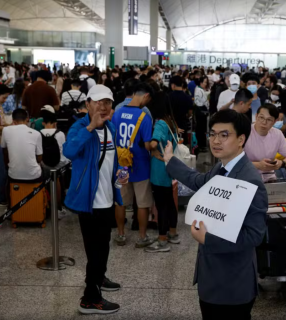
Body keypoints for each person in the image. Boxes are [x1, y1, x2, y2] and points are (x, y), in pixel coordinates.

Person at [163, 109, 267, 320]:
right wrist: (170, 161)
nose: (215, 140)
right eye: (212, 134)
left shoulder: (250, 180)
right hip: (212, 278)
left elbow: (254, 235)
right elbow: (198, 181)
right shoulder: (222, 167)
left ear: (241, 139)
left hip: (232, 285)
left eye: (224, 135)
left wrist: (207, 239)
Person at [63, 84, 126, 315]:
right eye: (98, 102)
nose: (103, 106)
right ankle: (90, 299)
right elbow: (69, 152)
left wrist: (120, 179)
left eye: (107, 102)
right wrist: (91, 126)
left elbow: (113, 161)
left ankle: (99, 278)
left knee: (103, 247)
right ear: (88, 103)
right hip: (89, 203)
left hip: (107, 199)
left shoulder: (111, 127)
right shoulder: (80, 127)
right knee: (95, 251)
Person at [112, 83, 155, 248]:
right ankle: (142, 237)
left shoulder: (117, 113)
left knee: (121, 201)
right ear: (145, 96)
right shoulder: (144, 117)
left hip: (122, 165)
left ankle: (121, 234)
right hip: (140, 167)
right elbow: (147, 145)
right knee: (143, 203)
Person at [144, 95, 180, 253]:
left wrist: (149, 147)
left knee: (161, 205)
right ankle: (173, 233)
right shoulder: (170, 122)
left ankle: (162, 239)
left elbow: (153, 142)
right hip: (168, 167)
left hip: (159, 170)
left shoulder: (159, 123)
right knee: (170, 202)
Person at [245, 104, 286, 181]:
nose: (264, 122)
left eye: (269, 120)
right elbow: (234, 162)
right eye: (261, 117)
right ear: (256, 116)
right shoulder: (245, 132)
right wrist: (258, 165)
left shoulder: (277, 134)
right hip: (246, 178)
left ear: (275, 121)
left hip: (269, 178)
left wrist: (281, 163)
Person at [1, 109, 43, 183]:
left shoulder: (5, 130)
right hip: (34, 176)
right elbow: (39, 158)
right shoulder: (36, 133)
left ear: (13, 121)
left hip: (14, 175)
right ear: (27, 119)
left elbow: (4, 151)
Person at [194, 76, 210, 151]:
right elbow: (204, 101)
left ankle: (201, 144)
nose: (206, 84)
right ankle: (201, 145)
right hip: (201, 111)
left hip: (201, 110)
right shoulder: (199, 90)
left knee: (201, 128)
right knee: (201, 129)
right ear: (201, 83)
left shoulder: (199, 89)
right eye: (205, 82)